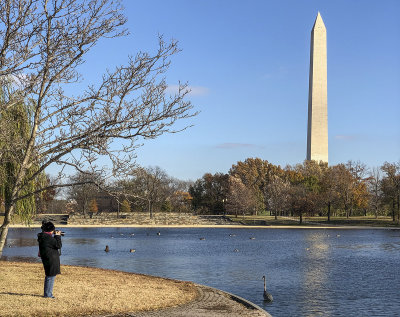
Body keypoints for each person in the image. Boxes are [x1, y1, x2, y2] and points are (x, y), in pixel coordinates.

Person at [37, 221, 62, 298]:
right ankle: (48, 294)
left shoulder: (43, 237)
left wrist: (55, 236)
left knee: (49, 276)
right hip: (51, 259)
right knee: (50, 276)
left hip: (47, 258)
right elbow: (58, 245)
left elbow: (53, 244)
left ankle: (48, 293)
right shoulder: (48, 238)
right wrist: (57, 236)